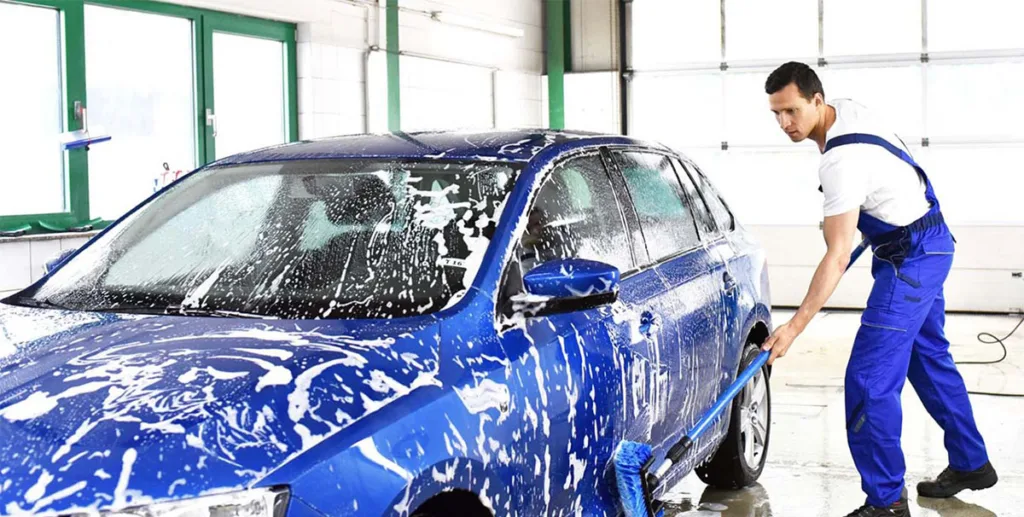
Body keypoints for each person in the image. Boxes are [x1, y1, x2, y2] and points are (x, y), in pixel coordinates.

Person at [758, 62, 997, 517]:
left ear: (816, 100)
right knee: (927, 359)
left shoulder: (841, 160)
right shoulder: (847, 113)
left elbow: (837, 252)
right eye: (776, 114)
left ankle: (886, 502)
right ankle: (972, 463)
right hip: (926, 239)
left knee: (868, 379)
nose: (784, 124)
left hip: (912, 257)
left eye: (790, 111)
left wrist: (793, 327)